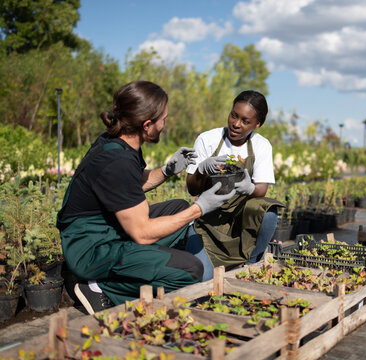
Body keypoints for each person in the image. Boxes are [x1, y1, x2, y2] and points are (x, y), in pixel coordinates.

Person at [56, 80, 235, 315]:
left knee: (177, 207)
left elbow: (129, 186)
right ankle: (101, 287)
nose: (165, 125)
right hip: (91, 248)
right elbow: (142, 233)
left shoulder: (119, 142)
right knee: (191, 269)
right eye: (164, 119)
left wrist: (167, 171)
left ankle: (133, 269)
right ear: (147, 124)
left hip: (104, 229)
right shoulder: (116, 161)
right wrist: (200, 207)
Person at [185, 90, 284, 280]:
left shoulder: (261, 145)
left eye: (245, 121)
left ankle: (252, 263)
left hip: (238, 217)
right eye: (234, 115)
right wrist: (201, 170)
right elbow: (192, 188)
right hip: (206, 219)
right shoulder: (208, 139)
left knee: (268, 212)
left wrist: (250, 188)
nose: (236, 124)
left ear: (257, 124)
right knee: (203, 279)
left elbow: (262, 188)